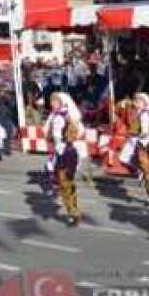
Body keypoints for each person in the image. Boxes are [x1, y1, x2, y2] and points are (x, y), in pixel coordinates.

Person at [44, 92, 84, 226]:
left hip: (67, 152)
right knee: (63, 183)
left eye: (55, 101)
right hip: (60, 151)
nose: (52, 104)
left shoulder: (67, 116)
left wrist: (68, 138)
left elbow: (78, 132)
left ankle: (73, 212)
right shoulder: (55, 116)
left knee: (67, 183)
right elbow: (50, 134)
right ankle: (72, 211)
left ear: (61, 103)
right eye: (52, 101)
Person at [119, 92, 149, 204]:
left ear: (145, 103)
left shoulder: (145, 115)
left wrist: (138, 135)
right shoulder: (135, 111)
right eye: (135, 100)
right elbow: (123, 106)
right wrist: (123, 103)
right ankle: (138, 172)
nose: (136, 101)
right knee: (123, 159)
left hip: (141, 142)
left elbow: (145, 132)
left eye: (139, 100)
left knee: (145, 167)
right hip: (132, 140)